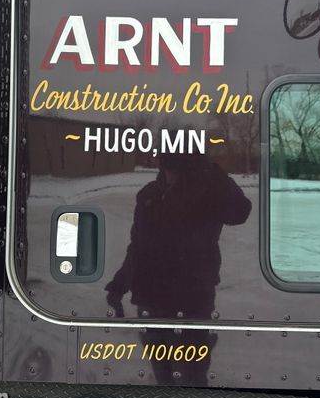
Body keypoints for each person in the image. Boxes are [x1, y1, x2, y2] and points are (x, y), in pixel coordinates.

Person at [106, 153, 251, 384]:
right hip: (151, 300)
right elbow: (137, 246)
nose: (171, 167)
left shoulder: (208, 193)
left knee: (192, 379)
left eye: (178, 159)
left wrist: (213, 169)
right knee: (163, 376)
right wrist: (119, 285)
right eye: (167, 159)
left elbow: (240, 212)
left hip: (192, 301)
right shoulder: (149, 195)